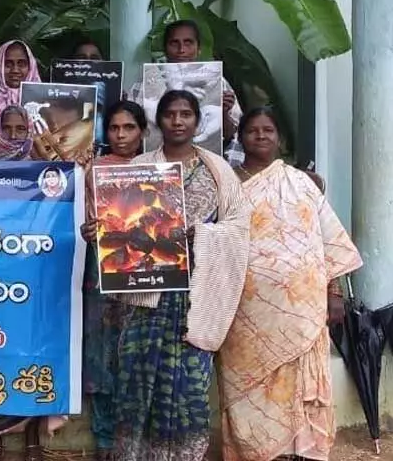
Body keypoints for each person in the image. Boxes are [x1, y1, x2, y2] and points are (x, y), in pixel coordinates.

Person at [113, 90, 251, 461]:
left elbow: (239, 225)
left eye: (185, 114)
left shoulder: (217, 169)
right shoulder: (139, 166)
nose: (177, 121)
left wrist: (204, 235)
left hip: (196, 292)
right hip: (145, 295)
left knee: (189, 380)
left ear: (196, 121)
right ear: (158, 121)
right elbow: (116, 224)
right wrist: (96, 232)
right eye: (170, 114)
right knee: (137, 380)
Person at [219, 107, 361, 461]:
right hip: (244, 310)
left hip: (303, 308)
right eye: (253, 130)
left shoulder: (302, 183)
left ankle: (301, 450)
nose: (262, 135)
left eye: (269, 129)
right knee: (247, 386)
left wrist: (334, 293)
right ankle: (253, 450)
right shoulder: (227, 185)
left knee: (301, 380)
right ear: (240, 137)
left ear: (280, 138)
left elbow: (327, 240)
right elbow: (215, 243)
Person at [79, 100, 146, 461]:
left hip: (147, 272)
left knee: (138, 351)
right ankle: (104, 438)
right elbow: (83, 220)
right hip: (102, 268)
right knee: (101, 350)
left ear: (143, 132)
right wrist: (87, 229)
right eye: (115, 128)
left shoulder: (158, 169)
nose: (120, 135)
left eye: (129, 128)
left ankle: (134, 437)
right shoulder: (93, 169)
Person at [127, 20, 242, 163]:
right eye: (174, 43)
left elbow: (232, 135)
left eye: (188, 43)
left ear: (198, 48)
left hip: (204, 165)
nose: (181, 49)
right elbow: (129, 130)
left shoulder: (218, 82)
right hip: (155, 165)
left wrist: (224, 113)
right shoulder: (145, 84)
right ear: (165, 49)